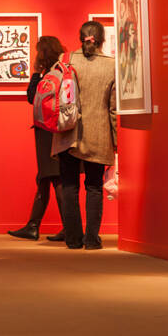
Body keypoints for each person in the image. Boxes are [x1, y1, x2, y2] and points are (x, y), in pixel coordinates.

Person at [54, 21, 117, 250]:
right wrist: (116, 141)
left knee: (69, 185)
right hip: (99, 134)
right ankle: (91, 239)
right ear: (101, 39)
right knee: (94, 186)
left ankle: (72, 238)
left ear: (81, 37)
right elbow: (112, 109)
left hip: (68, 132)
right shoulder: (111, 66)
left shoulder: (66, 59)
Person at [8, 36, 68, 242]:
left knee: (54, 177)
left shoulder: (49, 75)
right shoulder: (62, 71)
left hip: (47, 132)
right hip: (56, 130)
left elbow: (32, 96)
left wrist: (34, 72)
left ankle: (68, 227)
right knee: (46, 177)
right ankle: (33, 225)